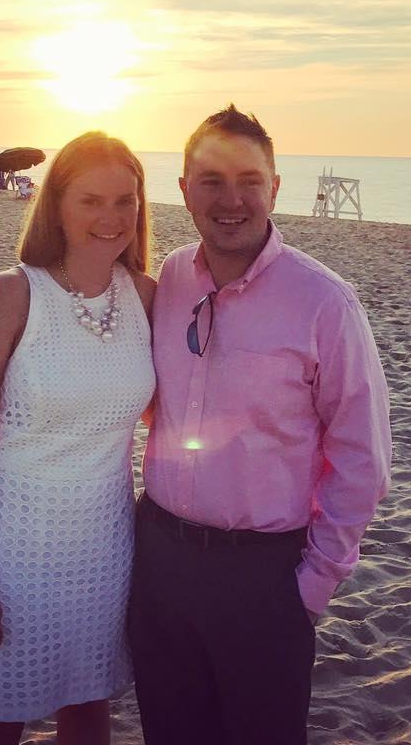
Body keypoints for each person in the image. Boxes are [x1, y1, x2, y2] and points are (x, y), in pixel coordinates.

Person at [128, 105, 391, 745]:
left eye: (249, 181)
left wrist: (312, 585)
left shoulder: (325, 302)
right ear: (184, 189)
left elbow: (362, 457)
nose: (232, 201)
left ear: (274, 188)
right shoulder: (170, 278)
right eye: (212, 181)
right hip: (158, 563)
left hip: (267, 576)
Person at [0, 131, 156, 745]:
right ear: (56, 204)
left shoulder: (144, 295)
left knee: (87, 712)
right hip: (13, 547)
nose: (111, 217)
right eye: (91, 200)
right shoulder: (12, 294)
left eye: (125, 200)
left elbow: (174, 414)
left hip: (106, 548)